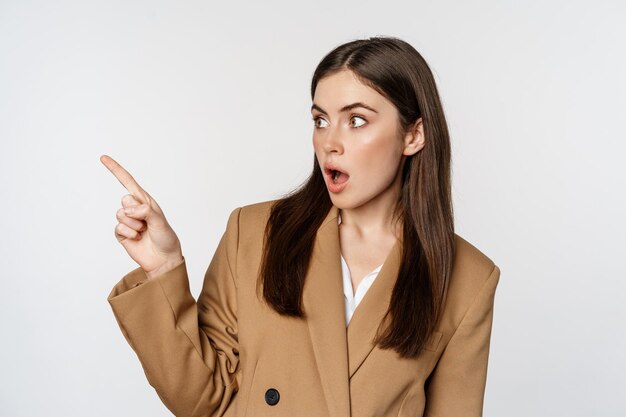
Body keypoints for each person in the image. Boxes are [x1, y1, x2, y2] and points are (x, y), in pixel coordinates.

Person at [102, 36, 501, 417]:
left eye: (357, 120)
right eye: (321, 120)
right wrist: (163, 269)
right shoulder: (257, 233)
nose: (330, 141)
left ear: (413, 135)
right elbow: (202, 399)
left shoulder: (467, 277)